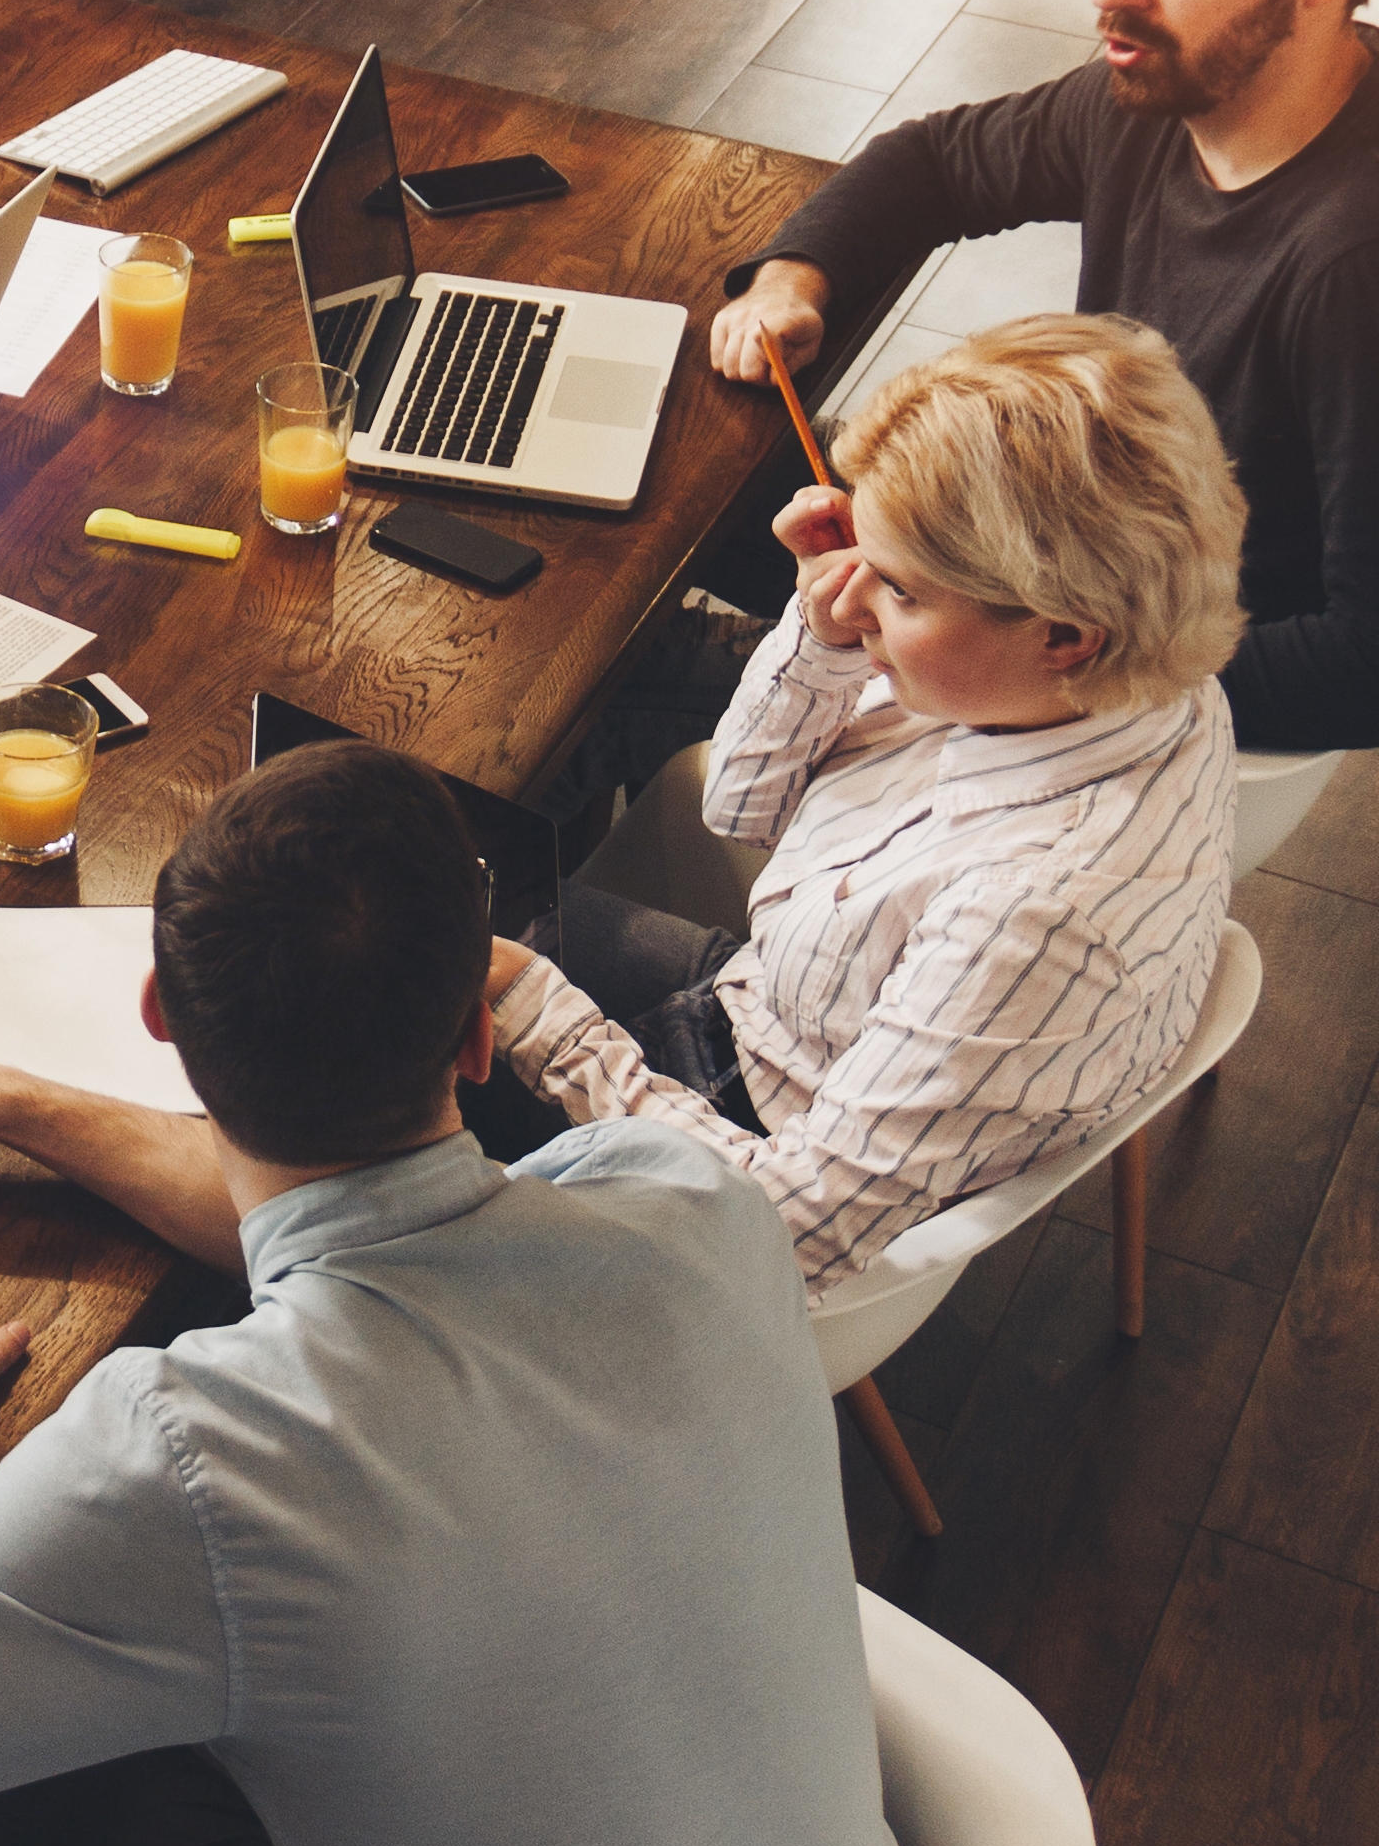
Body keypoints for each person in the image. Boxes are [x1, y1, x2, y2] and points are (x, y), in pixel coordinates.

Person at [0, 741, 892, 1846]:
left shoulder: (192, 1462)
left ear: (159, 1022)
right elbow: (372, 1221)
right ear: (473, 1034)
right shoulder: (690, 1198)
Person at [489, 315, 1241, 1293]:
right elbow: (741, 803)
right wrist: (825, 636)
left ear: (1065, 634)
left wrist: (537, 1015)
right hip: (784, 1009)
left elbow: (788, 1234)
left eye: (897, 588)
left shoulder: (1031, 920)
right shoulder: (1139, 678)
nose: (854, 596)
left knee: (364, 981)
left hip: (750, 1139)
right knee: (430, 893)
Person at [712, 0, 1379, 757]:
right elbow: (934, 163)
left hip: (1153, 699)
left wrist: (1023, 663)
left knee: (643, 706)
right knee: (701, 486)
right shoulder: (1160, 93)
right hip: (1038, 571)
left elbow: (1359, 664)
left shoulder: (1350, 265)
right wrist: (788, 282)